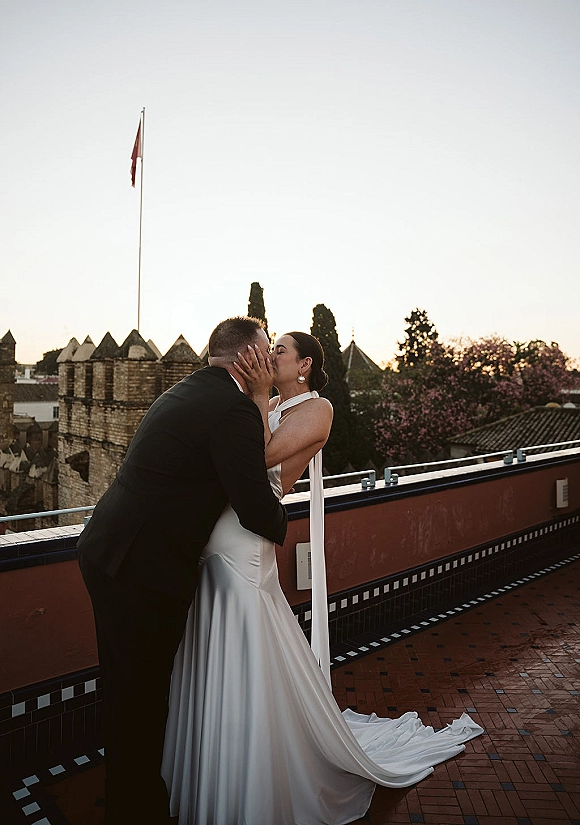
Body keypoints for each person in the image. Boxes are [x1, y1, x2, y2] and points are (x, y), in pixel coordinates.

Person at [161, 332, 483, 825]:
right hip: (217, 530)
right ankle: (214, 755)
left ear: (305, 365)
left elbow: (259, 457)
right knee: (213, 635)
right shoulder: (254, 403)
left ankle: (254, 773)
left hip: (246, 540)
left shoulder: (318, 410)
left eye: (280, 352)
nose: (269, 358)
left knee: (245, 633)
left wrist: (259, 392)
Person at [76, 317, 288, 825]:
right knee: (144, 699)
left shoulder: (182, 391)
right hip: (142, 570)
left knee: (125, 689)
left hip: (106, 552)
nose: (270, 363)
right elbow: (257, 507)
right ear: (248, 358)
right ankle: (137, 809)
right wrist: (283, 513)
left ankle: (128, 795)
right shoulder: (233, 408)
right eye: (266, 352)